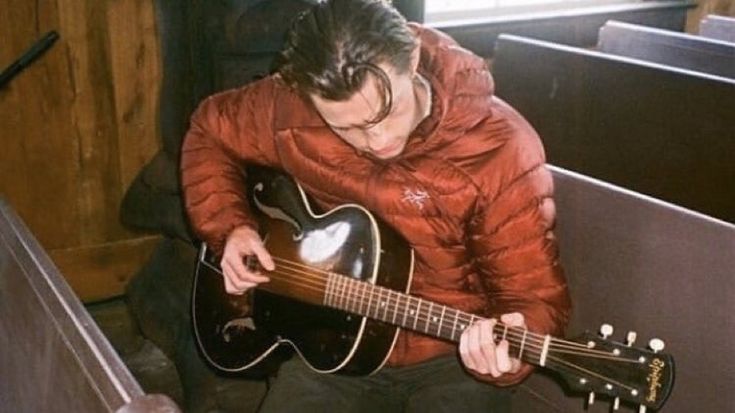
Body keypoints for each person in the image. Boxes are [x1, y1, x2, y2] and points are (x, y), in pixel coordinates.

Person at [181, 0, 570, 411]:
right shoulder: (290, 107)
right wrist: (231, 227)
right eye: (346, 127)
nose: (380, 141)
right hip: (330, 343)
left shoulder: (499, 149)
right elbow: (209, 129)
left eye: (391, 110)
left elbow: (534, 298)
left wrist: (505, 353)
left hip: (449, 357)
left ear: (413, 59)